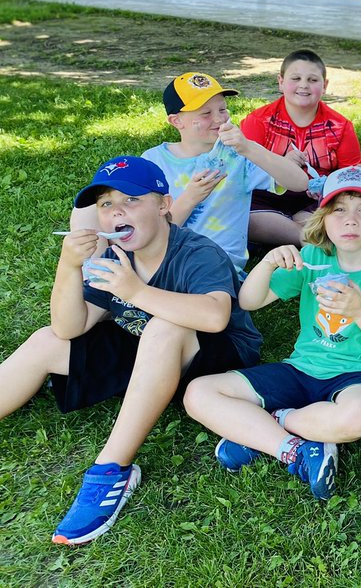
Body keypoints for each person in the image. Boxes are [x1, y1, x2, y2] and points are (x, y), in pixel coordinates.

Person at [0, 156, 261, 545]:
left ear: (164, 205)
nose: (116, 211)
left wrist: (136, 291)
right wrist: (69, 267)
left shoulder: (195, 252)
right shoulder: (113, 259)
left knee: (165, 326)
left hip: (215, 360)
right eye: (106, 204)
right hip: (148, 354)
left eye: (132, 199)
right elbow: (68, 327)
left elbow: (215, 316)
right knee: (45, 341)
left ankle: (110, 472)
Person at [184, 166, 361, 500]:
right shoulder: (313, 258)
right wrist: (267, 264)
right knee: (199, 394)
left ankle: (266, 426)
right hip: (301, 368)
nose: (350, 220)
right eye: (339, 210)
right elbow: (250, 301)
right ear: (322, 218)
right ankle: (296, 450)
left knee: (358, 418)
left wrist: (360, 311)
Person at [127, 72, 310, 274]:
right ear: (176, 121)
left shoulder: (238, 157)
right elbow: (151, 234)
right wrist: (190, 198)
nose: (218, 118)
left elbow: (300, 182)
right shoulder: (154, 161)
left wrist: (248, 147)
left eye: (222, 109)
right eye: (205, 113)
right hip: (167, 261)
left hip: (220, 265)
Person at [241, 49, 361, 248]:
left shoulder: (340, 126)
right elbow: (244, 170)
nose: (304, 85)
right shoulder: (259, 121)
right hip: (265, 200)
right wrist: (282, 164)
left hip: (315, 203)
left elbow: (351, 175)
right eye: (296, 78)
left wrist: (329, 188)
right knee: (246, 219)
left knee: (337, 212)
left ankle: (302, 232)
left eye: (313, 80)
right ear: (281, 82)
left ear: (325, 86)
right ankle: (311, 237)